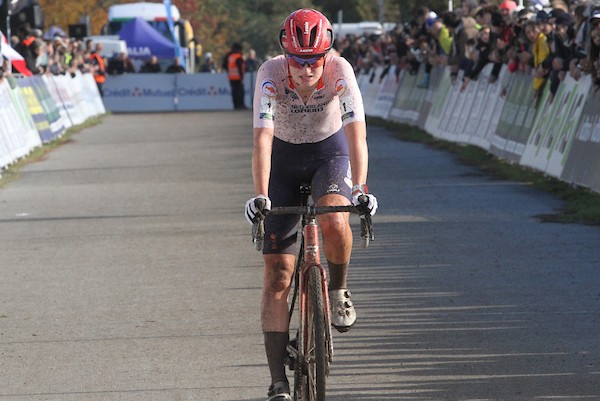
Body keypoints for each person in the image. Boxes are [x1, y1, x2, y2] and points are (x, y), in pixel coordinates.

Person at [244, 9, 378, 401]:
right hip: (282, 161)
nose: (305, 71)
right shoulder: (269, 74)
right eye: (298, 62)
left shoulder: (340, 70)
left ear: (326, 55)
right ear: (286, 56)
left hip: (328, 155)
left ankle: (338, 289)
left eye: (313, 60)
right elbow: (262, 139)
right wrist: (260, 194)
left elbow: (357, 134)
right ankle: (278, 382)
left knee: (336, 222)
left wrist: (362, 188)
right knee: (278, 274)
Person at [222, 42, 246, 109]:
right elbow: (240, 67)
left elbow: (224, 65)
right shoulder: (238, 56)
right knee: (240, 92)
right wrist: (241, 76)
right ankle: (241, 105)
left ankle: (236, 106)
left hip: (231, 77)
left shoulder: (229, 56)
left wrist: (229, 71)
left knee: (234, 92)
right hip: (238, 77)